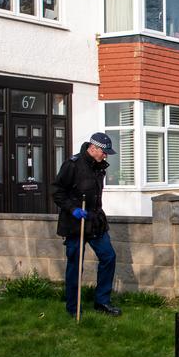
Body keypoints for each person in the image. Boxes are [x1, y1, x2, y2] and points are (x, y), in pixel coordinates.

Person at [53, 132, 121, 317]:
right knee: (75, 265)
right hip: (75, 224)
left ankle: (102, 302)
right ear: (93, 148)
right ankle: (73, 308)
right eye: (104, 152)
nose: (106, 156)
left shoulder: (99, 167)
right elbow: (57, 191)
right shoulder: (72, 165)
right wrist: (72, 209)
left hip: (96, 222)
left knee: (108, 257)